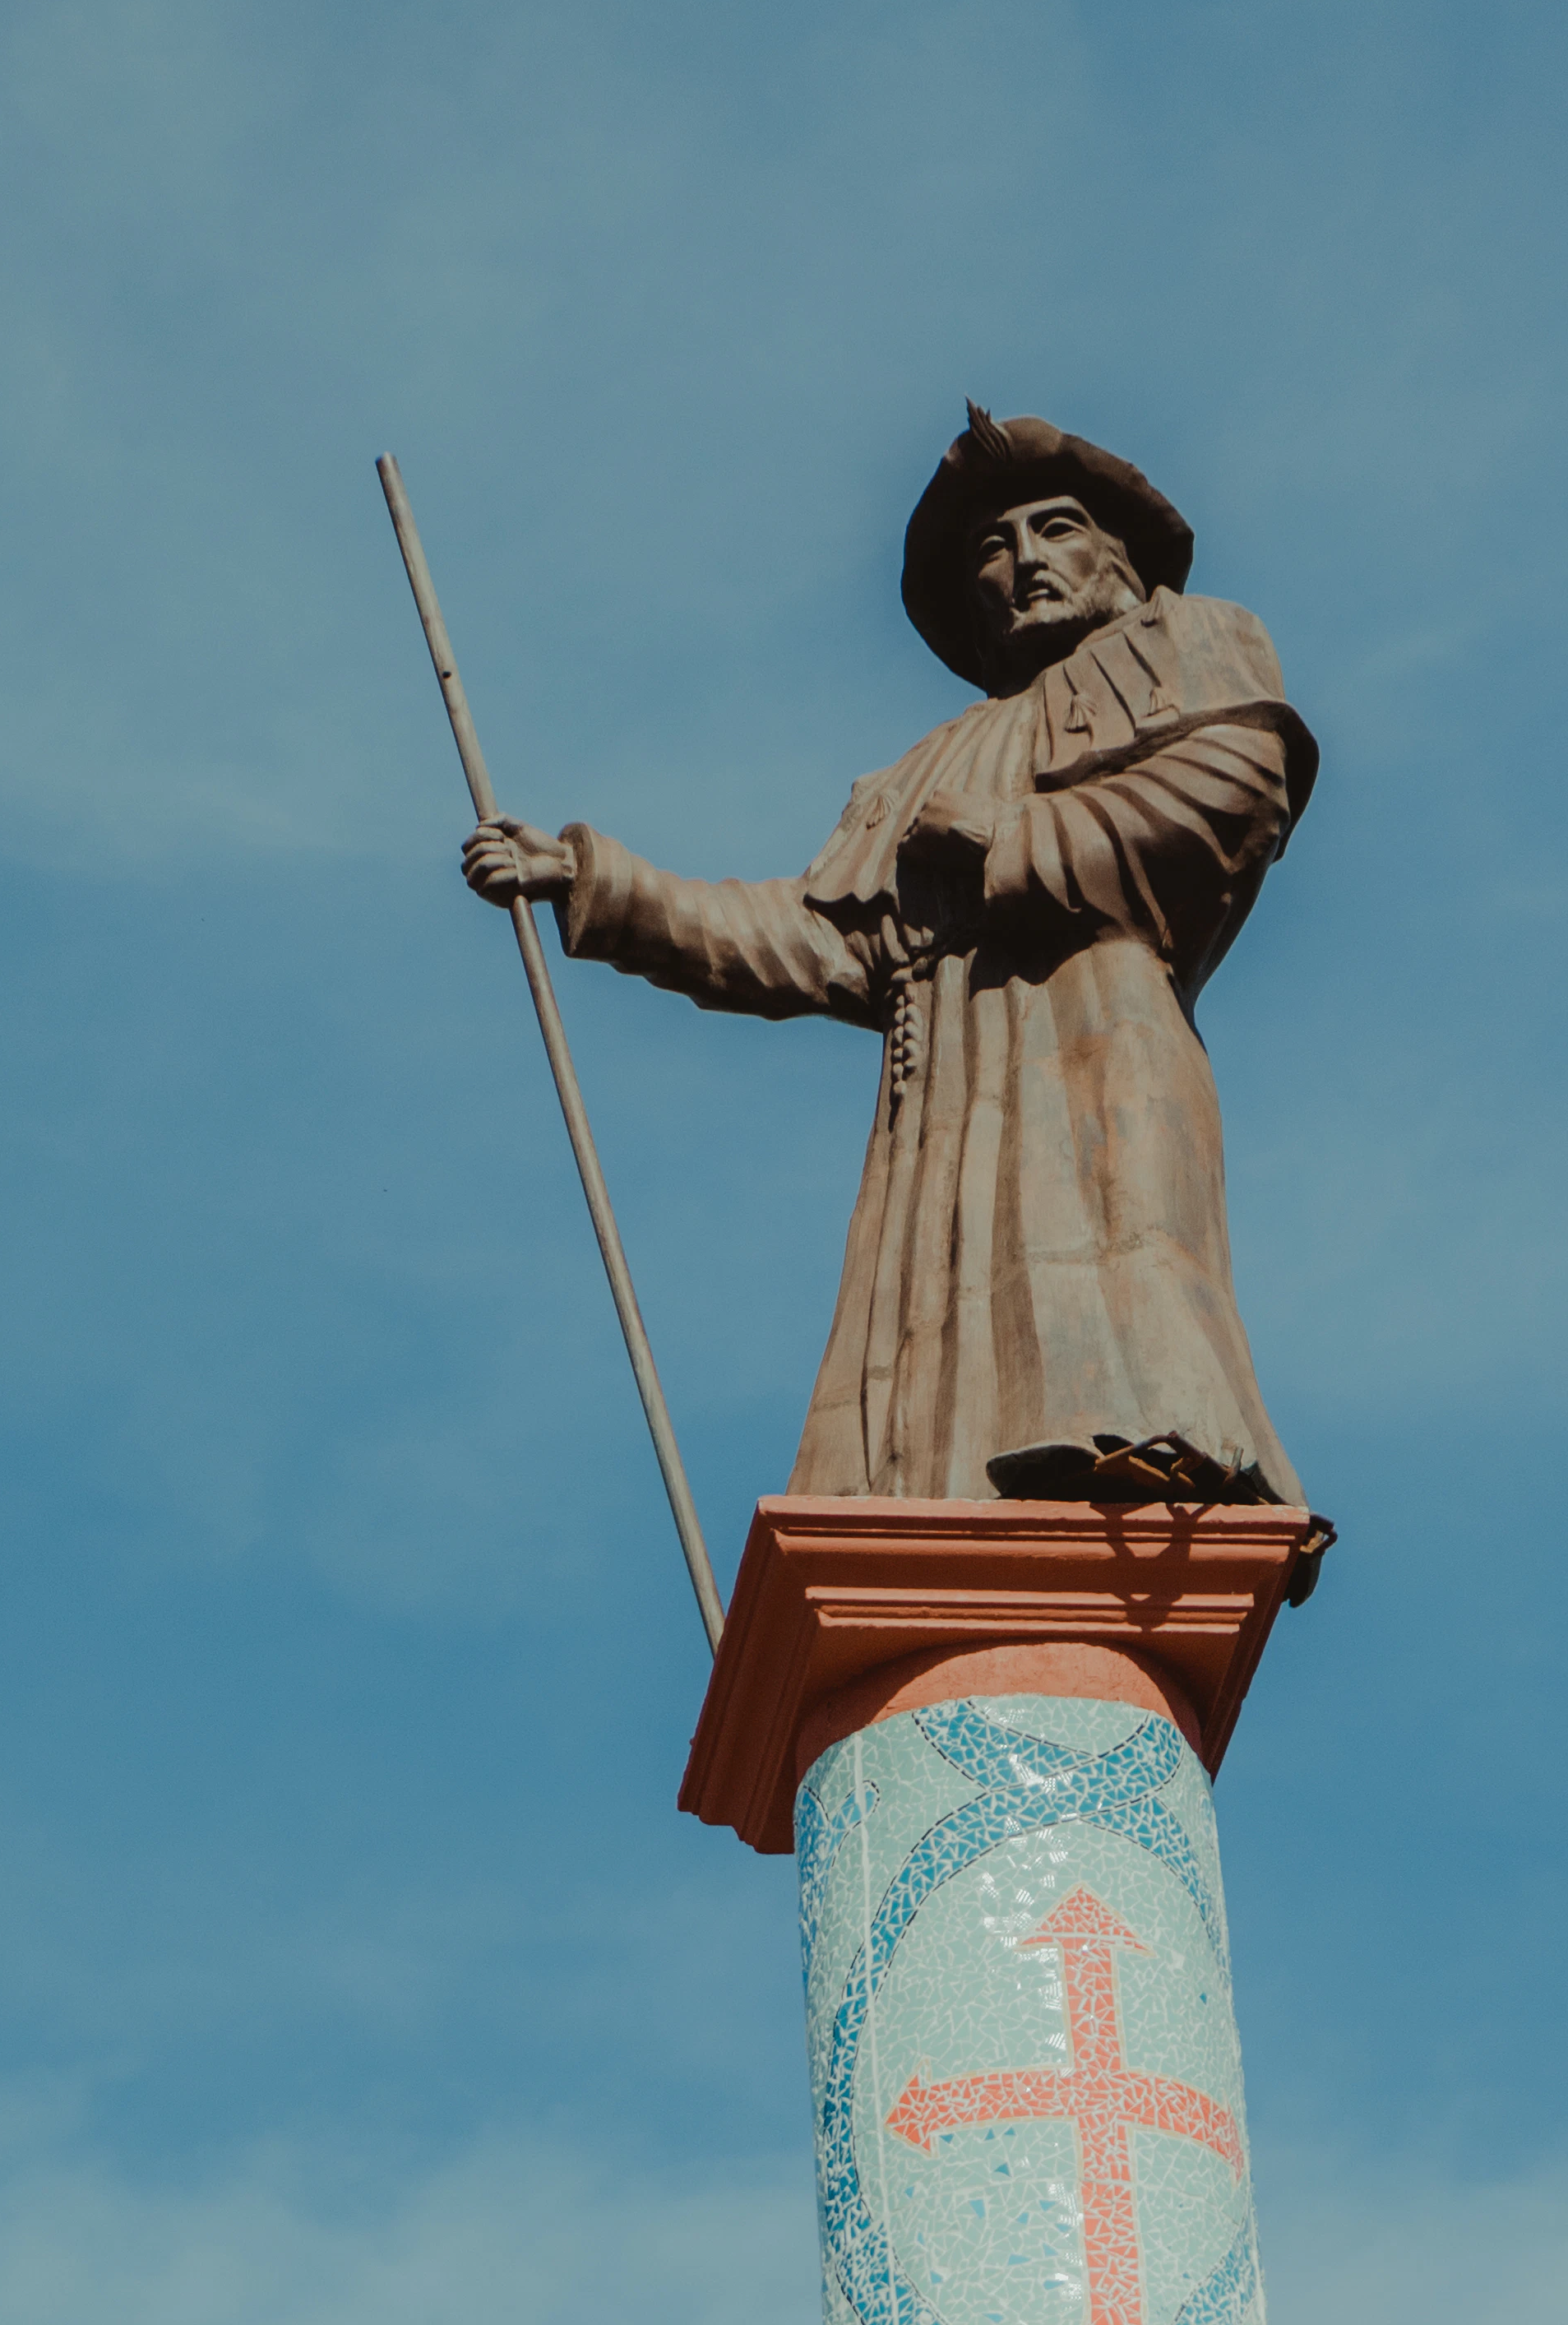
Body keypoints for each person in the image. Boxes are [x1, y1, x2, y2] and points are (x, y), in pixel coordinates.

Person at [462, 405, 1318, 1512]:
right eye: (993, 548)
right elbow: (817, 935)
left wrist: (1008, 840)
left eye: (1056, 529)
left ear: (1118, 556)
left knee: (1112, 1248)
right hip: (943, 1080)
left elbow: (1230, 793)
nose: (1024, 560)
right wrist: (595, 880)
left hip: (1097, 1030)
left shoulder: (1188, 644)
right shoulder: (932, 761)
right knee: (935, 1324)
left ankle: (1153, 1448)